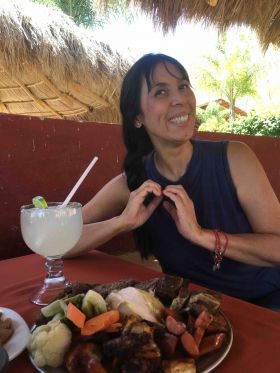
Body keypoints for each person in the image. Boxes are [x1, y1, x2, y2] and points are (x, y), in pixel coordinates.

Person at [68, 53, 280, 310]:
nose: (179, 99)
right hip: (186, 310)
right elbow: (59, 241)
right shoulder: (132, 183)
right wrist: (120, 223)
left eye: (183, 87)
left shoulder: (235, 158)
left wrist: (202, 236)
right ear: (137, 117)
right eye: (160, 92)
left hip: (265, 304)